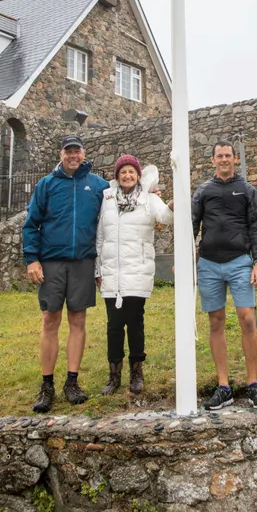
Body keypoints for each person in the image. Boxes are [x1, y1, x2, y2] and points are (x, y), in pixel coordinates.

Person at [22, 135, 110, 413]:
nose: (73, 155)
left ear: (84, 154)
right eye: (68, 151)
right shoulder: (46, 185)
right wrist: (31, 259)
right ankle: (46, 385)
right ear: (61, 154)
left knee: (78, 319)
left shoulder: (97, 185)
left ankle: (72, 382)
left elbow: (122, 201)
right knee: (50, 320)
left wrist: (150, 195)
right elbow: (31, 224)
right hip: (51, 262)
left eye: (78, 151)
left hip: (83, 261)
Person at [192, 140, 257, 410]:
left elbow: (256, 228)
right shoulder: (202, 192)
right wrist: (187, 261)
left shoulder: (248, 191)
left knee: (247, 319)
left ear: (235, 159)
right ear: (212, 160)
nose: (224, 159)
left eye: (228, 155)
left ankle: (253, 384)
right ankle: (223, 387)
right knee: (216, 322)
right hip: (210, 264)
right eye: (219, 156)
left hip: (240, 263)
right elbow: (192, 227)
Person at [96, 154, 173, 396]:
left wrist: (172, 204)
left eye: (131, 171)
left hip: (137, 270)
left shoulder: (149, 199)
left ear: (138, 175)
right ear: (117, 177)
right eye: (123, 172)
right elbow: (100, 235)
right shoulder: (107, 199)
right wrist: (97, 268)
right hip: (112, 273)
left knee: (135, 324)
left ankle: (137, 373)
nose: (127, 175)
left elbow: (165, 218)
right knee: (114, 326)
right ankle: (114, 375)